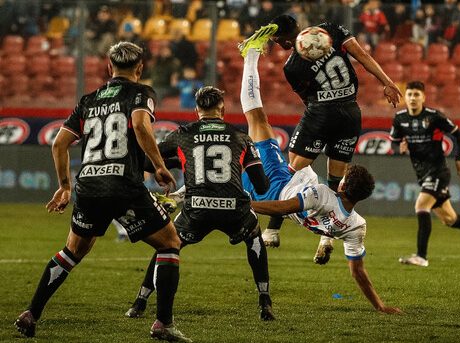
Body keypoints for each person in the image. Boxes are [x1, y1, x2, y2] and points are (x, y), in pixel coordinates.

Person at [14, 42, 191, 342]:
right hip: (124, 184)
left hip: (89, 184)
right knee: (169, 243)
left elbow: (58, 143)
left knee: (73, 251)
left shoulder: (88, 100)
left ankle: (31, 313)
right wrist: (159, 166)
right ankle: (163, 323)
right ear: (140, 68)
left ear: (109, 68)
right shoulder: (141, 93)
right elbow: (139, 125)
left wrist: (65, 186)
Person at [235, 26, 402, 314]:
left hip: (277, 183)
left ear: (343, 186)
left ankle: (249, 56)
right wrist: (380, 306)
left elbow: (282, 206)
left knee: (257, 119)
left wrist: (245, 205)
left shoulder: (320, 195)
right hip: (292, 180)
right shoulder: (356, 225)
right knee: (255, 137)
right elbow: (358, 272)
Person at [124, 85, 276, 321]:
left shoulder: (183, 134)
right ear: (222, 109)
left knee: (167, 245)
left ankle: (139, 303)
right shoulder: (241, 137)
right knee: (254, 237)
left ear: (197, 110)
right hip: (234, 209)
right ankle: (265, 301)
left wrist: (178, 163)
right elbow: (263, 186)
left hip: (197, 210)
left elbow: (147, 162)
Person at [390, 81, 460, 267]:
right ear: (405, 97)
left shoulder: (434, 116)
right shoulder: (399, 119)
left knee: (421, 205)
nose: (413, 98)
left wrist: (459, 158)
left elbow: (458, 133)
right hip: (422, 174)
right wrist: (400, 148)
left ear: (423, 97)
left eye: (417, 94)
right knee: (450, 219)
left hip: (439, 171)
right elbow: (394, 142)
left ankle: (421, 256)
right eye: (410, 94)